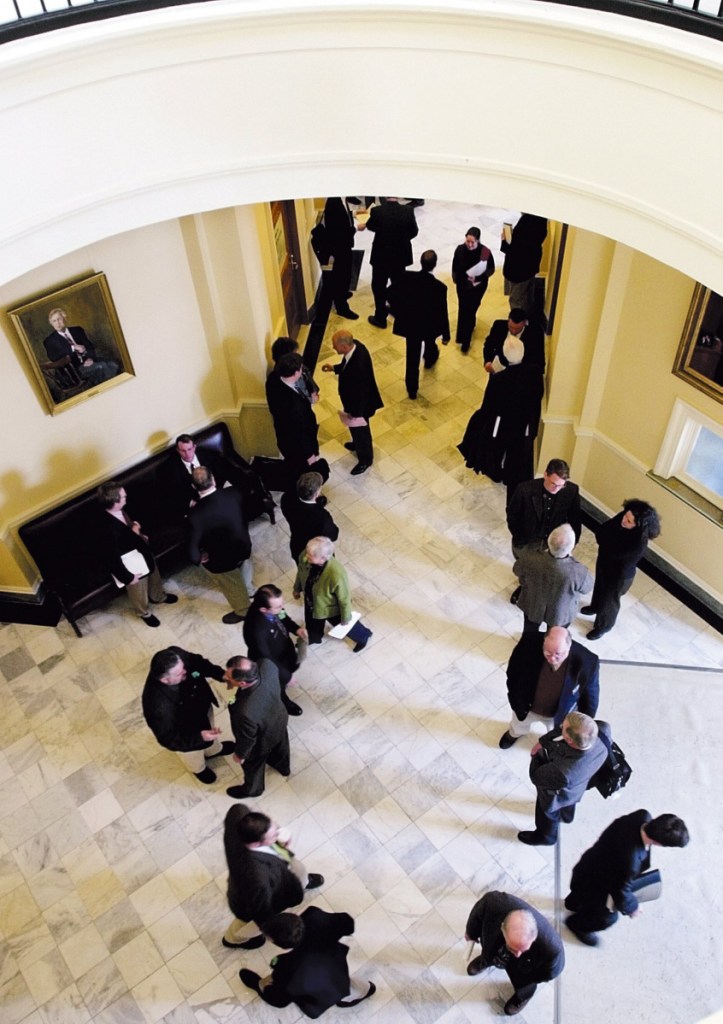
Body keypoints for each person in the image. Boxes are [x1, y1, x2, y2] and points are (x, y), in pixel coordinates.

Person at [565, 809, 689, 946]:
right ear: (658, 843)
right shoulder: (631, 862)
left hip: (588, 865)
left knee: (578, 892)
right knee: (607, 919)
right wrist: (633, 908)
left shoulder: (642, 815)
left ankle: (573, 903)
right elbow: (621, 892)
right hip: (599, 885)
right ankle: (576, 925)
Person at [222, 803, 324, 950]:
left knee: (298, 869)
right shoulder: (257, 880)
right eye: (273, 835)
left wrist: (281, 847)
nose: (278, 833)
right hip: (261, 895)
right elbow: (262, 913)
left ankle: (302, 882)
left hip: (278, 868)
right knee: (246, 926)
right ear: (257, 844)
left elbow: (238, 810)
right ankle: (234, 939)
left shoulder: (239, 814)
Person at [240, 908, 376, 1017]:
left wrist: (267, 987)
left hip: (318, 982)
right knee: (346, 983)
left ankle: (259, 986)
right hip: (335, 965)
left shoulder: (287, 967)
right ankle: (365, 989)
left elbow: (281, 1001)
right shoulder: (313, 915)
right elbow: (347, 923)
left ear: (283, 946)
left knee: (277, 993)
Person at [457, 335, 543, 496]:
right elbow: (536, 398)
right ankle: (510, 475)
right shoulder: (534, 374)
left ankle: (496, 472)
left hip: (501, 422)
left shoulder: (499, 379)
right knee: (515, 451)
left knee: (497, 447)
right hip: (522, 421)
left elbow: (490, 405)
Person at [465, 891, 564, 1017]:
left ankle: (522, 997)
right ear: (502, 928)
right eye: (513, 948)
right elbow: (476, 916)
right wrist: (471, 933)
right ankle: (486, 960)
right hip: (497, 943)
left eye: (522, 949)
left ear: (533, 938)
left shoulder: (552, 950)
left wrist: (529, 976)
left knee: (524, 984)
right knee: (490, 953)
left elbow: (548, 973)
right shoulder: (492, 903)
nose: (517, 954)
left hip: (527, 966)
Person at [142, 647, 233, 783]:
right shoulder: (156, 706)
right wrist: (199, 736)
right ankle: (199, 769)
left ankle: (213, 750)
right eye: (179, 674)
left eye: (183, 667)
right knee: (193, 755)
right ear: (165, 680)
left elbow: (198, 663)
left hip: (203, 708)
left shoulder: (177, 655)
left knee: (211, 733)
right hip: (187, 732)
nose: (185, 671)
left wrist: (221, 675)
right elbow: (169, 739)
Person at [498, 626, 600, 749]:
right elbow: (513, 672)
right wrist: (514, 699)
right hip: (526, 707)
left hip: (558, 714)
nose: (552, 658)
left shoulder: (587, 662)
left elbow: (591, 693)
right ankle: (514, 734)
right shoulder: (528, 643)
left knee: (553, 734)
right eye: (548, 652)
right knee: (518, 724)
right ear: (544, 642)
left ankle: (549, 745)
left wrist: (585, 721)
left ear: (569, 646)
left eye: (558, 654)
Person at [518, 711, 610, 846]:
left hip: (558, 794)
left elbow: (536, 776)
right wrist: (543, 741)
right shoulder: (604, 729)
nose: (560, 727)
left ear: (570, 741)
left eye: (563, 728)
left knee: (548, 813)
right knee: (569, 802)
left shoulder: (562, 770)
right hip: (579, 786)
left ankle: (546, 836)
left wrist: (537, 754)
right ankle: (567, 816)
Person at [96, 481, 178, 627]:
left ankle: (158, 596)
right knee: (138, 591)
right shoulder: (107, 529)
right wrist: (128, 577)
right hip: (131, 563)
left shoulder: (121, 510)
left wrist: (138, 533)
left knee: (154, 575)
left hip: (143, 551)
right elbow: (111, 557)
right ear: (115, 501)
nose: (126, 497)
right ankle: (143, 612)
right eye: (123, 496)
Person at [583, 499, 661, 640]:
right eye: (626, 516)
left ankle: (603, 626)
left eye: (629, 521)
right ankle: (595, 606)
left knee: (610, 601)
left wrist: (607, 544)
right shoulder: (624, 516)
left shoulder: (639, 543)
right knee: (599, 586)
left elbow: (618, 557)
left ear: (639, 525)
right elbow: (602, 531)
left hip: (619, 575)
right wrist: (607, 544)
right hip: (605, 562)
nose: (624, 520)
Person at [506, 458, 582, 603]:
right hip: (528, 540)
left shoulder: (571, 491)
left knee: (547, 569)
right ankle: (524, 586)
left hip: (553, 542)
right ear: (546, 475)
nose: (556, 489)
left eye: (561, 485)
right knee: (526, 566)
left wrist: (571, 544)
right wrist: (519, 537)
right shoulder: (525, 489)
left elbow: (575, 519)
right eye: (553, 483)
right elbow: (512, 515)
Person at [188, 467, 254, 625]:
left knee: (231, 584)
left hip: (221, 560)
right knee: (245, 565)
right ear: (214, 480)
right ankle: (249, 590)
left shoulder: (195, 515)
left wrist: (199, 558)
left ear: (194, 487)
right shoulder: (234, 493)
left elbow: (192, 552)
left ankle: (243, 610)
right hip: (243, 545)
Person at [224, 655, 291, 799]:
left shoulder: (244, 712)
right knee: (282, 746)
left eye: (229, 677)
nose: (225, 677)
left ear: (242, 683)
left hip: (261, 739)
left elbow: (247, 739)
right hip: (279, 719)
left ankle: (253, 790)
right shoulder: (266, 664)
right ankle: (284, 767)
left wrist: (240, 755)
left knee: (252, 765)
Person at [294, 537, 372, 653]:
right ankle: (314, 638)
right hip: (312, 600)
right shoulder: (305, 556)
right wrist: (297, 588)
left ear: (323, 558)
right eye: (307, 552)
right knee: (312, 622)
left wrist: (345, 617)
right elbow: (300, 573)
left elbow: (344, 599)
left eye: (311, 555)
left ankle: (363, 635)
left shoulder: (336, 574)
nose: (306, 556)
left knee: (344, 625)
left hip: (330, 607)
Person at [321, 330, 383, 476]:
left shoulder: (359, 365)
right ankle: (356, 443)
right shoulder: (356, 347)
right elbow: (346, 364)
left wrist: (356, 414)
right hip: (353, 402)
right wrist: (334, 368)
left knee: (362, 431)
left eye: (335, 346)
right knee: (356, 431)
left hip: (360, 407)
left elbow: (360, 392)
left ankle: (365, 459)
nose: (333, 348)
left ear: (344, 347)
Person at [390, 249, 450, 399]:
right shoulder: (439, 288)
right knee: (430, 343)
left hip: (411, 326)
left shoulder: (406, 278)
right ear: (434, 265)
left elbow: (389, 293)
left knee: (412, 357)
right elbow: (442, 312)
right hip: (429, 326)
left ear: (421, 263)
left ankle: (412, 389)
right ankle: (430, 358)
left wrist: (398, 312)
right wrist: (446, 335)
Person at [513, 524, 593, 632]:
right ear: (572, 547)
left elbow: (517, 570)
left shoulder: (530, 559)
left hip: (532, 604)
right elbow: (587, 588)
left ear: (549, 541)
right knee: (554, 636)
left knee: (529, 631)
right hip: (560, 613)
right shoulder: (579, 572)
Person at [243, 584, 307, 716]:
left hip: (284, 652)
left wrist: (296, 629)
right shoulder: (255, 630)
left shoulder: (274, 609)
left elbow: (283, 617)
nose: (281, 607)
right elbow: (267, 659)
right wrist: (286, 676)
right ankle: (284, 701)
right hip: (272, 663)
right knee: (277, 686)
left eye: (281, 603)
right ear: (263, 609)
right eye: (278, 606)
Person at [266, 352, 325, 483]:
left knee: (292, 463)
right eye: (300, 368)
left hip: (284, 437)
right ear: (296, 373)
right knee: (302, 470)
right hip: (298, 446)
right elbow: (300, 433)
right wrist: (310, 455)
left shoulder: (273, 379)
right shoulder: (294, 407)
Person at [365, 197, 419, 328]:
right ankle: (397, 309)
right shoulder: (408, 210)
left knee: (378, 286)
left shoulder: (377, 211)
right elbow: (414, 231)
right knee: (398, 284)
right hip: (400, 257)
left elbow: (371, 226)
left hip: (381, 257)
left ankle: (380, 317)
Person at [43, 307, 119, 387]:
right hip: (74, 371)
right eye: (54, 321)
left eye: (59, 319)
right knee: (101, 366)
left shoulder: (77, 330)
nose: (57, 323)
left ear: (65, 319)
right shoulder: (49, 341)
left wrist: (90, 358)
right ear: (51, 324)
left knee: (114, 364)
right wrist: (73, 348)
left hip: (88, 361)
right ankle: (108, 387)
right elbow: (53, 357)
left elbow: (89, 346)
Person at [280, 471, 339, 564]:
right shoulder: (321, 517)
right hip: (316, 554)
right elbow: (334, 535)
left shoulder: (286, 498)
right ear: (316, 493)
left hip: (297, 546)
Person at [451, 227, 495, 352]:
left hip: (478, 287)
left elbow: (490, 269)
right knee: (464, 309)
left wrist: (478, 277)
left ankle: (467, 333)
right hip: (463, 286)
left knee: (472, 308)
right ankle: (464, 339)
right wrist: (457, 279)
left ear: (478, 241)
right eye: (467, 241)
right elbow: (455, 267)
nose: (469, 245)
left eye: (472, 242)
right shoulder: (460, 249)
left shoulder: (485, 252)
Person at [501, 214, 548, 315]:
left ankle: (518, 324)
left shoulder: (529, 222)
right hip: (529, 268)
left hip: (518, 271)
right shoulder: (541, 221)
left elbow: (515, 250)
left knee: (517, 301)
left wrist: (505, 240)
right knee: (527, 297)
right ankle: (526, 320)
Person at [322, 197, 361, 320]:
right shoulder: (334, 203)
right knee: (342, 275)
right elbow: (338, 231)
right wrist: (355, 229)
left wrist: (355, 214)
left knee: (344, 273)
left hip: (344, 245)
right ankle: (342, 307)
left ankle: (343, 293)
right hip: (340, 247)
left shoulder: (341, 199)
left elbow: (345, 217)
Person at [483, 307, 546, 373]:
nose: (513, 331)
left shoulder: (535, 334)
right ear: (508, 321)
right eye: (511, 327)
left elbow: (539, 361)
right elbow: (488, 345)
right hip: (499, 370)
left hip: (522, 373)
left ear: (524, 323)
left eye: (517, 328)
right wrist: (488, 361)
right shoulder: (498, 326)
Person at [270, 337, 320, 405]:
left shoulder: (295, 365)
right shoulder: (280, 381)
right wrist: (311, 400)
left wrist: (313, 390)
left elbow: (307, 376)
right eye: (294, 353)